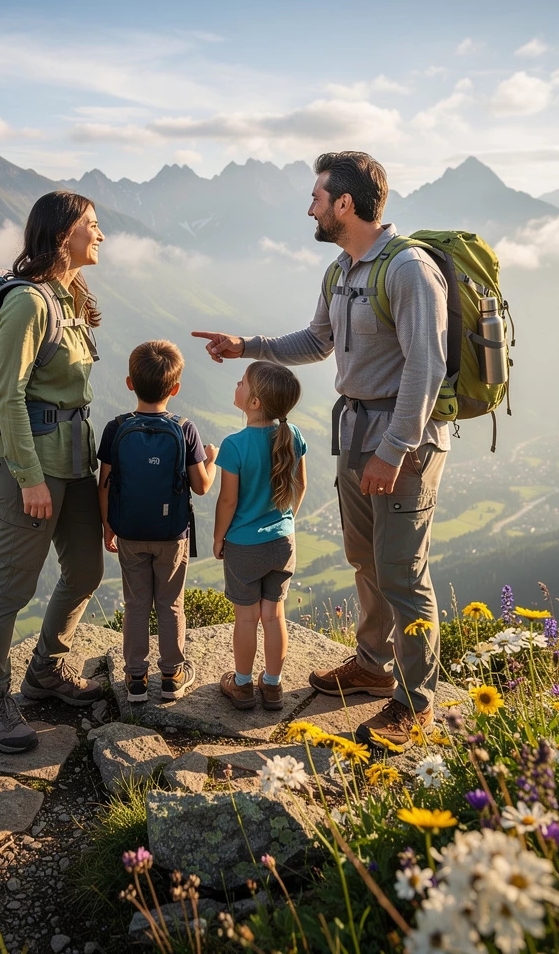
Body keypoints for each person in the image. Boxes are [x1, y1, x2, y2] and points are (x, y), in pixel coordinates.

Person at [193, 151, 448, 748]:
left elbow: (425, 367)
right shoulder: (341, 269)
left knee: (404, 573)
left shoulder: (407, 269)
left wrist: (395, 448)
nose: (309, 206)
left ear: (345, 204)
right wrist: (245, 346)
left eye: (316, 197)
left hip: (399, 438)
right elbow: (317, 340)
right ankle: (372, 664)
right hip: (356, 431)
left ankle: (416, 703)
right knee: (365, 557)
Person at [0, 191, 106, 754]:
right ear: (62, 237)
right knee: (13, 586)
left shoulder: (69, 297)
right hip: (32, 466)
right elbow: (8, 398)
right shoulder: (28, 303)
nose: (100, 237)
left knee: (86, 571)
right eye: (92, 227)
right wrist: (28, 478)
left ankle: (45, 670)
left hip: (73, 464)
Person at [97, 340, 218, 703]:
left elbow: (104, 484)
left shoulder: (115, 428)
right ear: (175, 389)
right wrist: (212, 459)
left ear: (130, 383)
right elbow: (200, 486)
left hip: (130, 533)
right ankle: (172, 676)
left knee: (136, 604)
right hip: (171, 535)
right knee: (170, 603)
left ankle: (135, 679)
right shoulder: (185, 429)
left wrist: (108, 526)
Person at [214, 361, 306, 712]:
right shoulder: (293, 435)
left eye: (243, 383)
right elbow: (300, 486)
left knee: (247, 619)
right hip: (283, 543)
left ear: (254, 403)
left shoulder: (234, 445)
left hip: (244, 546)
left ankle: (241, 685)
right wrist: (285, 522)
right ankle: (272, 686)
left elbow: (228, 500)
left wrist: (219, 537)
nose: (237, 384)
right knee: (274, 616)